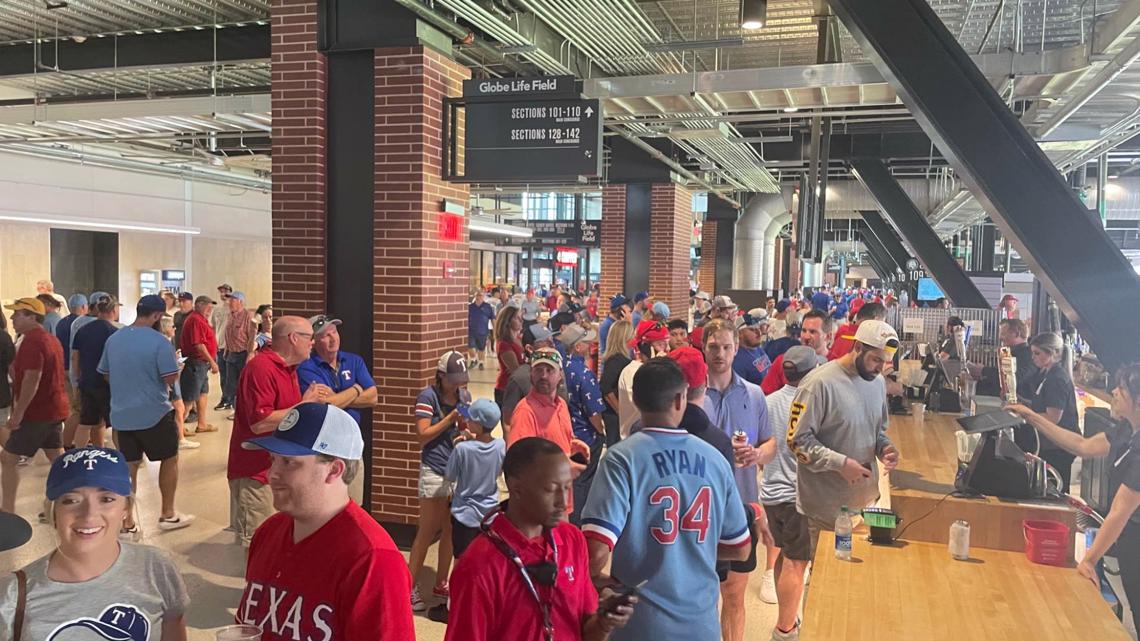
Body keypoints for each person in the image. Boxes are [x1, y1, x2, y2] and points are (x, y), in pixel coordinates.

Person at [582, 358, 760, 641]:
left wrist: (595, 582)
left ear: (637, 401)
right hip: (700, 624)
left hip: (638, 624)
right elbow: (739, 548)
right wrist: (689, 547)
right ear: (681, 399)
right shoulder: (714, 459)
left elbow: (595, 552)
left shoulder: (621, 459)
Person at [237, 403, 415, 640]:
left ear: (334, 470)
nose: (271, 474)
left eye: (288, 462)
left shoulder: (374, 560)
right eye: (273, 460)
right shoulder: (267, 533)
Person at [446, 437, 636, 641]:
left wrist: (603, 623)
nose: (563, 502)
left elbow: (586, 632)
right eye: (551, 489)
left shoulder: (572, 540)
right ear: (516, 488)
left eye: (567, 487)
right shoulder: (479, 566)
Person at [0, 446, 189, 639]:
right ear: (53, 513)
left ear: (126, 509)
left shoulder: (156, 567)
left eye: (106, 499)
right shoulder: (13, 596)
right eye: (71, 500)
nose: (89, 514)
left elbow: (173, 623)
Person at [1007, 362, 1140, 626]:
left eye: (1122, 388)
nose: (1113, 391)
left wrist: (1089, 561)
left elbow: (1119, 512)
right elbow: (1082, 445)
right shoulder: (1127, 430)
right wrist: (1031, 416)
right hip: (1128, 538)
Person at [787, 320, 901, 555]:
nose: (880, 368)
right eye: (876, 360)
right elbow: (796, 442)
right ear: (858, 347)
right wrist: (840, 464)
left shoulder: (877, 382)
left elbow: (877, 430)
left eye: (885, 362)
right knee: (826, 585)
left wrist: (885, 448)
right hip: (826, 512)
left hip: (866, 505)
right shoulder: (818, 384)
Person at [701, 318, 776, 641]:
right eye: (714, 346)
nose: (720, 353)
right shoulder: (689, 396)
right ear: (703, 348)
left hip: (742, 509)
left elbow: (770, 443)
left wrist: (758, 456)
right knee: (702, 595)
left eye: (727, 347)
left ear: (736, 350)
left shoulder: (755, 395)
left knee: (734, 595)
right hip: (700, 509)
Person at [98, 294, 195, 536]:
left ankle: (126, 521)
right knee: (170, 458)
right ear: (156, 316)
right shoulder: (160, 342)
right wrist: (178, 368)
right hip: (155, 413)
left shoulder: (114, 339)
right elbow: (169, 378)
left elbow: (106, 374)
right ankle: (168, 513)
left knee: (128, 467)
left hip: (121, 415)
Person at [227, 315, 327, 547]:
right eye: (310, 338)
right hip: (256, 471)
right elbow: (260, 422)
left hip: (278, 468)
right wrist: (304, 406)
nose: (313, 343)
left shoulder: (289, 369)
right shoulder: (261, 368)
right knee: (257, 540)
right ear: (293, 338)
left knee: (276, 539)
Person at [761, 346, 821, 641]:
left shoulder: (767, 401)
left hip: (770, 493)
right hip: (797, 496)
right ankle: (786, 629)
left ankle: (787, 612)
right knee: (798, 562)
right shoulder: (812, 405)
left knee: (784, 557)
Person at [408, 351, 472, 612]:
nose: (458, 384)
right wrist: (448, 420)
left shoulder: (464, 396)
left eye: (461, 379)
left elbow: (464, 427)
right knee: (428, 529)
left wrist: (467, 431)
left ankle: (441, 582)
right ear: (441, 375)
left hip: (456, 470)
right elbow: (422, 435)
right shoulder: (428, 396)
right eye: (453, 379)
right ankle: (409, 587)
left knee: (450, 530)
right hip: (434, 468)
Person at [296, 314, 378, 504]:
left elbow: (373, 397)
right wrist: (357, 388)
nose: (333, 338)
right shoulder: (306, 368)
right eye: (325, 335)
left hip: (352, 445)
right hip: (325, 449)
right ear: (314, 342)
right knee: (327, 505)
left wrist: (339, 396)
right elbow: (327, 405)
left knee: (354, 504)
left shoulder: (353, 360)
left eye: (334, 332)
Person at [3, 296, 69, 514]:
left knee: (9, 458)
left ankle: (8, 510)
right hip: (54, 409)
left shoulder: (32, 341)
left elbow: (33, 378)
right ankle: (63, 503)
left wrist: (19, 413)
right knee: (57, 458)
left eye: (18, 314)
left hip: (37, 412)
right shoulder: (50, 339)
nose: (12, 318)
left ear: (32, 316)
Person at [1015, 332, 1079, 492]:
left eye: (1037, 353)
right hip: (1050, 443)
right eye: (1033, 353)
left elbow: (1052, 418)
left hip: (1059, 446)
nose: (1033, 357)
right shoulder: (1046, 374)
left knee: (1056, 492)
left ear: (1053, 354)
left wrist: (1025, 415)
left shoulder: (1056, 379)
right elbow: (1041, 404)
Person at [445, 398, 505, 560]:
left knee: (461, 559)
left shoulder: (461, 449)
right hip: (489, 514)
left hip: (464, 514)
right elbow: (498, 470)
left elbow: (450, 475)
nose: (466, 420)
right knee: (484, 559)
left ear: (478, 425)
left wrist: (460, 445)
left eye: (470, 419)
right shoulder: (501, 446)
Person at [559, 324, 606, 524]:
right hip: (585, 437)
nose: (590, 344)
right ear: (578, 347)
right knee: (582, 483)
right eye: (586, 341)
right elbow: (593, 411)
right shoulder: (584, 374)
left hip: (567, 433)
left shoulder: (561, 368)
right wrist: (601, 432)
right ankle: (577, 524)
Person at [71, 295, 120, 449]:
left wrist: (79, 379)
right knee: (116, 424)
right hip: (107, 385)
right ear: (113, 310)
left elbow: (75, 358)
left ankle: (80, 454)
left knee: (87, 423)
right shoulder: (114, 332)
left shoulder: (83, 330)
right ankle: (122, 456)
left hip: (87, 383)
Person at [500, 325, 568, 434]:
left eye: (552, 340)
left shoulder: (558, 371)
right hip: (533, 445)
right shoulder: (519, 378)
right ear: (530, 348)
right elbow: (508, 422)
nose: (552, 345)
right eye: (546, 341)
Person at [617, 319, 671, 439]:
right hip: (633, 441)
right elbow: (651, 405)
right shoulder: (632, 372)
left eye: (668, 343)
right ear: (645, 347)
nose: (667, 349)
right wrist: (656, 370)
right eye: (661, 344)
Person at [763, 309, 834, 395]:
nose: (806, 337)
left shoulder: (836, 365)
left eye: (812, 332)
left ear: (828, 336)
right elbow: (765, 395)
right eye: (804, 330)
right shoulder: (784, 361)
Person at [179, 295, 220, 433]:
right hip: (196, 363)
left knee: (203, 392)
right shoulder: (196, 319)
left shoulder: (201, 319)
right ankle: (178, 430)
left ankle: (202, 424)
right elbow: (198, 345)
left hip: (201, 364)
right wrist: (212, 361)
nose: (210, 309)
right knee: (189, 398)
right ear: (199, 305)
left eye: (211, 307)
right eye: (207, 306)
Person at [599, 319, 634, 447]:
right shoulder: (616, 360)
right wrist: (620, 410)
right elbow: (605, 387)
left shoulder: (619, 358)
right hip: (614, 417)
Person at [221, 291, 257, 413]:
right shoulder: (230, 316)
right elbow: (228, 335)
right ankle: (234, 408)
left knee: (243, 384)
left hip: (243, 354)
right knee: (231, 384)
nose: (230, 303)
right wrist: (226, 350)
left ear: (240, 302)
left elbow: (252, 336)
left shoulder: (248, 316)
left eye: (232, 300)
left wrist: (250, 353)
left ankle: (243, 410)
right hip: (231, 354)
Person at [493, 305, 524, 409]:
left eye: (520, 317)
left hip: (518, 387)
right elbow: (516, 370)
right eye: (516, 317)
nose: (520, 320)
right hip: (506, 388)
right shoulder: (504, 344)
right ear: (508, 321)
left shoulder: (520, 339)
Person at [733, 311, 772, 387]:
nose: (759, 332)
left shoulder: (757, 348)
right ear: (739, 333)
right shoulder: (737, 361)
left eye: (758, 328)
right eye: (752, 329)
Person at [211, 283, 233, 403]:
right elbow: (213, 328)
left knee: (231, 376)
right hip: (219, 346)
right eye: (221, 291)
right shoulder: (216, 310)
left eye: (226, 291)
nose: (223, 294)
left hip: (230, 347)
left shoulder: (233, 310)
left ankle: (231, 399)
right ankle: (225, 399)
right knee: (223, 375)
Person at [468, 290, 496, 369]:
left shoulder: (487, 307)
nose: (478, 297)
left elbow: (493, 319)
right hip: (471, 331)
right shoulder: (470, 307)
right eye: (477, 295)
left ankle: (481, 362)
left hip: (483, 331)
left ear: (483, 297)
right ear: (475, 296)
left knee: (481, 348)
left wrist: (495, 330)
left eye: (480, 295)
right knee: (470, 346)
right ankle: (473, 360)